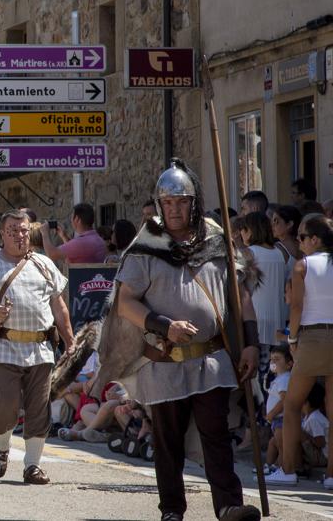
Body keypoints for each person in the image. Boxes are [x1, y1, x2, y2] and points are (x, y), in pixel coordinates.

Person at [96, 159, 262, 521]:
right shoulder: (147, 244)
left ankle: (228, 505)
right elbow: (125, 302)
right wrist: (163, 326)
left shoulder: (216, 239)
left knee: (216, 434)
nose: (174, 209)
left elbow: (240, 296)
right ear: (159, 204)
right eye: (167, 203)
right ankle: (172, 509)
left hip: (211, 358)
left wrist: (251, 343)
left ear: (194, 202)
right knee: (167, 440)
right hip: (166, 358)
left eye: (181, 201)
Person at [0, 209, 73, 485]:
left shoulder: (44, 264)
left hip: (41, 349)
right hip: (3, 347)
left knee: (39, 409)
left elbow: (59, 308)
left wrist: (70, 342)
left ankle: (32, 466)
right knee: (6, 405)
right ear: (2, 234)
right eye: (13, 230)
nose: (20, 235)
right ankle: (1, 447)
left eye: (24, 230)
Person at [270, 213, 333, 489]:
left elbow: (296, 306)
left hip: (311, 335)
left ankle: (288, 468)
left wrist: (292, 338)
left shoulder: (302, 266)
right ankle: (332, 474)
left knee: (293, 404)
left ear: (315, 240)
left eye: (303, 237)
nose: (300, 242)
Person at [235, 212, 288, 357]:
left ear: (250, 230)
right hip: (278, 318)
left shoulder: (249, 253)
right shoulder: (280, 252)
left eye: (243, 229)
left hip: (256, 318)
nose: (241, 234)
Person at [42, 202, 108, 265]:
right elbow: (74, 251)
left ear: (77, 219)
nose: (71, 220)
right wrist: (64, 236)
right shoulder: (98, 239)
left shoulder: (82, 242)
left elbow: (52, 254)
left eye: (72, 217)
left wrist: (44, 232)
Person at [263, 346, 293, 472]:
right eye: (271, 359)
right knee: (275, 443)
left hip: (281, 419)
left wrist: (271, 413)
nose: (273, 362)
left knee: (282, 446)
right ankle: (271, 466)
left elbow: (284, 400)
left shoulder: (285, 378)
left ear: (289, 364)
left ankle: (281, 469)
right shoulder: (279, 378)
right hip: (276, 420)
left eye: (277, 359)